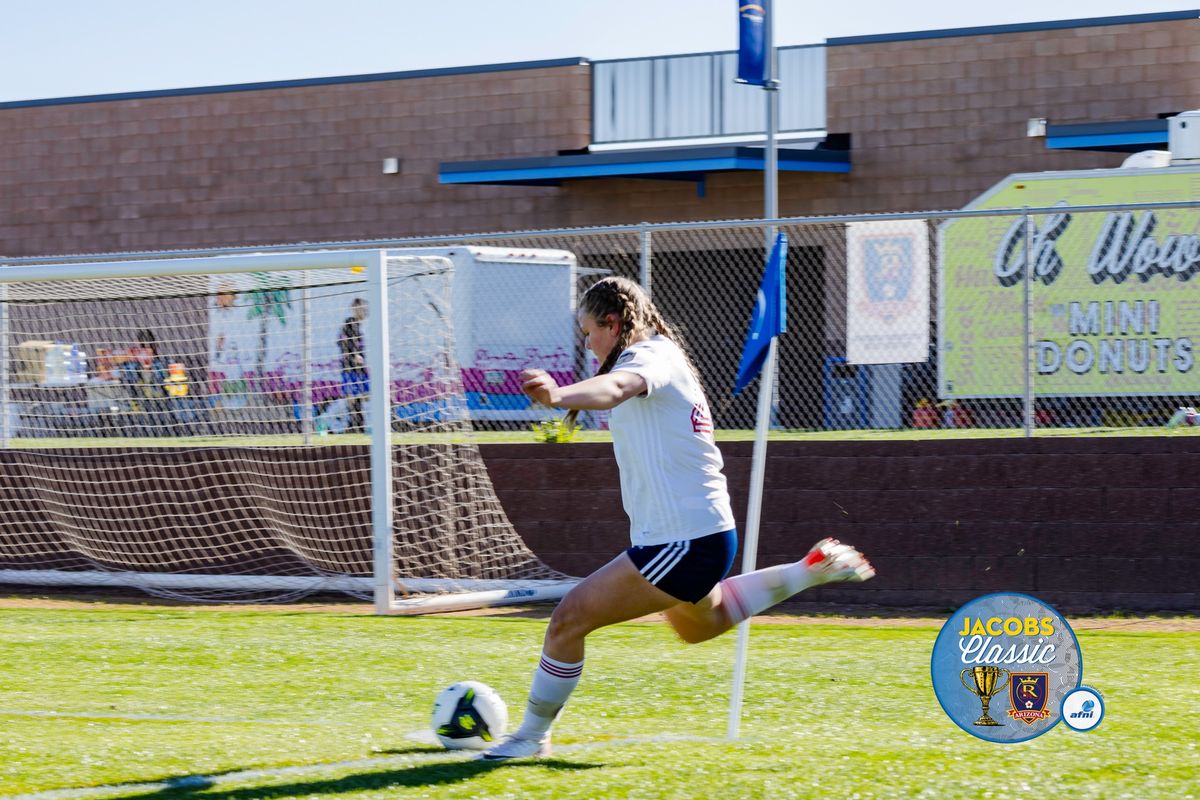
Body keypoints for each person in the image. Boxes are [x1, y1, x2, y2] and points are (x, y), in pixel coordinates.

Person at [481, 276, 876, 761]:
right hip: (700, 535)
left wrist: (560, 396)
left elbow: (616, 388)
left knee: (569, 618)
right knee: (697, 626)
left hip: (683, 540)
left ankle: (529, 738)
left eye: (589, 332)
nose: (587, 345)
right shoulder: (657, 353)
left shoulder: (647, 357)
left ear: (613, 322)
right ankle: (809, 569)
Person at [338, 298, 369, 433]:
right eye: (361, 308)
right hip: (350, 368)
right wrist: (353, 356)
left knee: (361, 397)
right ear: (355, 309)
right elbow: (341, 343)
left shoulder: (363, 326)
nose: (363, 311)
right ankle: (353, 425)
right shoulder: (349, 324)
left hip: (361, 370)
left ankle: (358, 425)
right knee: (351, 398)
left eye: (364, 308)